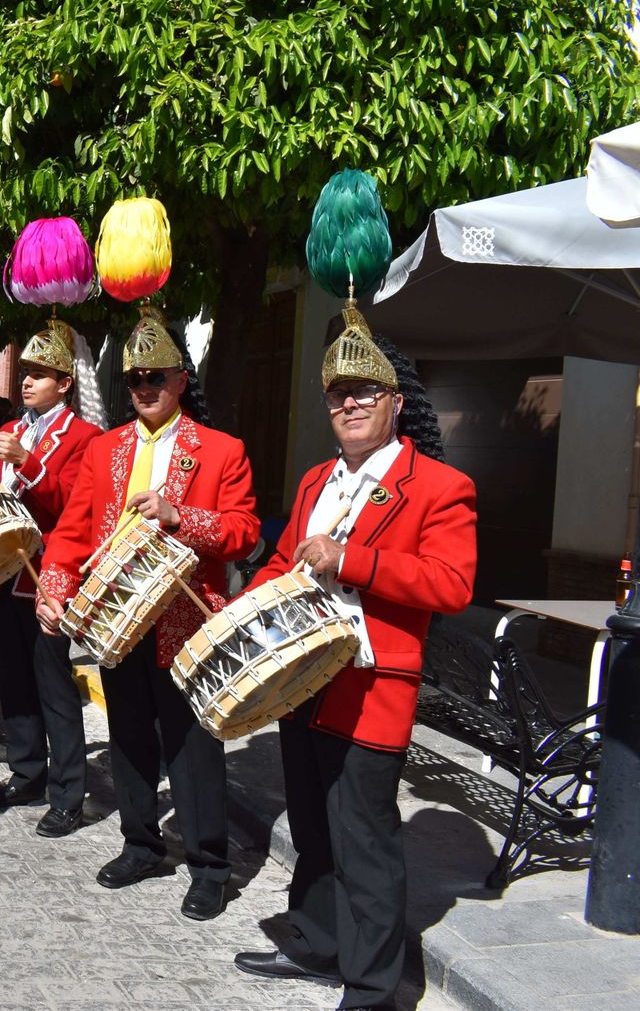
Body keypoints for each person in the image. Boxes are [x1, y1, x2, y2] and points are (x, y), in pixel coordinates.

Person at [233, 311, 476, 1010]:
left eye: (366, 392)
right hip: (301, 681)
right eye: (338, 394)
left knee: (364, 841)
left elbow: (452, 583)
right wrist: (240, 612)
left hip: (372, 691)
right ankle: (317, 942)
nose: (350, 404)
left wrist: (354, 560)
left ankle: (372, 988)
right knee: (310, 827)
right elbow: (282, 563)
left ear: (397, 401)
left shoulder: (439, 486)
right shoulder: (314, 482)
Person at [37, 304, 260, 921]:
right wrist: (55, 586)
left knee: (192, 747)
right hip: (115, 619)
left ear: (181, 379)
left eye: (156, 377)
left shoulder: (222, 450)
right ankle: (140, 843)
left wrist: (180, 517)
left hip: (186, 624)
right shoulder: (104, 449)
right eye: (135, 380)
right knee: (130, 739)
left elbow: (245, 533)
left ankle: (210, 866)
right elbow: (73, 530)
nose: (145, 389)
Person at [0, 321, 104, 837]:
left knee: (54, 686)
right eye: (26, 374)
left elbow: (72, 505)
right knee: (13, 679)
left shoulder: (85, 438)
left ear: (65, 383)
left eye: (39, 375)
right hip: (6, 573)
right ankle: (25, 769)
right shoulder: (16, 429)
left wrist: (28, 464)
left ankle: (68, 792)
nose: (26, 383)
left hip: (47, 578)